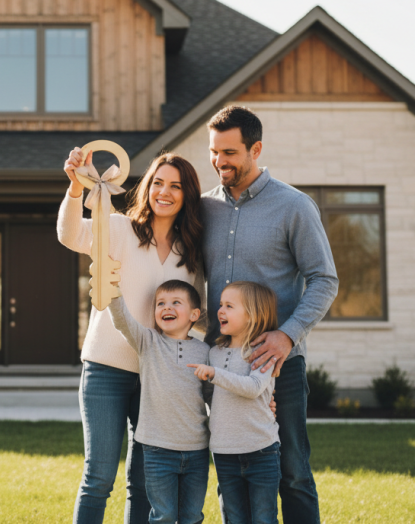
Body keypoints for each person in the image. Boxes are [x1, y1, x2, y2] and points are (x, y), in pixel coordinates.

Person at [201, 105, 339, 524]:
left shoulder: (294, 206)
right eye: (213, 152)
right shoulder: (203, 208)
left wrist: (288, 335)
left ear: (255, 148)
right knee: (231, 472)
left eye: (229, 152)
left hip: (279, 364)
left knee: (293, 471)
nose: (219, 161)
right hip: (222, 362)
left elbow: (324, 278)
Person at [59, 149, 204, 524]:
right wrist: (76, 188)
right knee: (99, 477)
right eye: (157, 182)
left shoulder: (191, 251)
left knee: (143, 483)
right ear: (147, 188)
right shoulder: (119, 228)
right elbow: (70, 234)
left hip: (157, 377)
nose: (164, 192)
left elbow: (195, 317)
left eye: (175, 185)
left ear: (187, 194)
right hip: (105, 370)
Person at [107, 280, 210, 524]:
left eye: (176, 303)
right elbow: (123, 321)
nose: (167, 308)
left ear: (194, 314)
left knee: (192, 516)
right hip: (157, 450)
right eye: (160, 303)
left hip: (197, 450)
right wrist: (112, 291)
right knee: (163, 516)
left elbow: (217, 394)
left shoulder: (206, 352)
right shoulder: (148, 341)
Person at [188, 281, 281, 524]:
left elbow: (252, 388)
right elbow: (210, 395)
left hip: (261, 449)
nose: (220, 311)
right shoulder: (214, 353)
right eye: (220, 304)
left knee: (264, 519)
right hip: (225, 452)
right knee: (234, 519)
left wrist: (216, 374)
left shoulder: (264, 351)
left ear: (252, 315)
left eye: (229, 306)